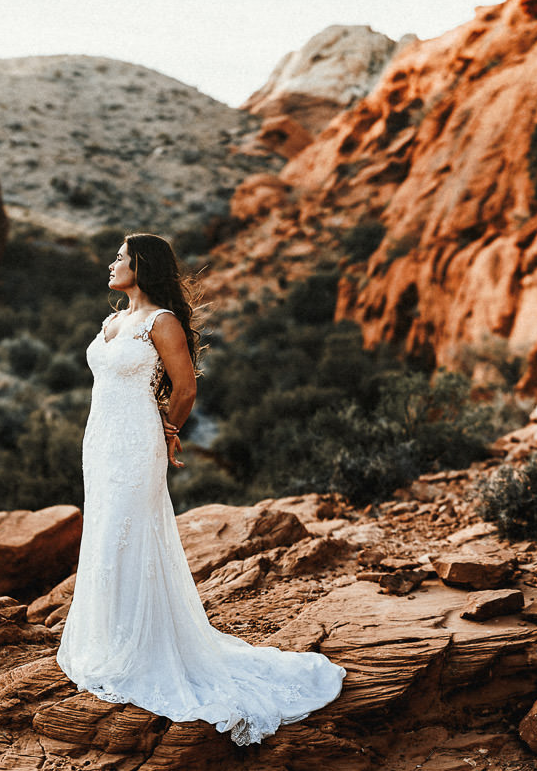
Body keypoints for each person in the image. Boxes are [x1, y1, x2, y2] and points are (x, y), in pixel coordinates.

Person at [55, 233, 345, 745]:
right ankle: (110, 640)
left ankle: (143, 649)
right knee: (104, 534)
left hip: (137, 443)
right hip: (99, 441)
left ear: (142, 266)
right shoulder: (113, 321)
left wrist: (168, 431)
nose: (111, 264)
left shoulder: (160, 322)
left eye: (120, 257)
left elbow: (184, 385)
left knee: (132, 534)